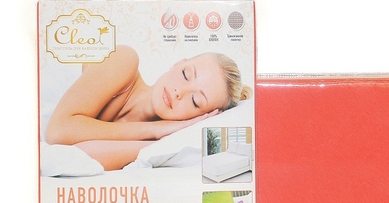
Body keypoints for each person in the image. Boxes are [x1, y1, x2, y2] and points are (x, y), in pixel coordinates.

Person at [45, 45, 252, 170]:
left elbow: (76, 156)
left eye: (195, 101)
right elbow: (57, 132)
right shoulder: (124, 60)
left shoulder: (152, 145)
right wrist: (153, 129)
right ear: (178, 63)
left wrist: (158, 142)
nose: (179, 92)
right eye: (185, 74)